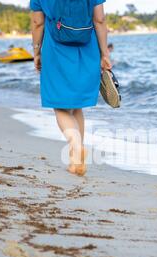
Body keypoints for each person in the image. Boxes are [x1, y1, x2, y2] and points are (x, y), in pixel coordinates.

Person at [30, 0, 112, 176]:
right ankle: (76, 160)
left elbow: (38, 23)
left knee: (59, 105)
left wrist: (36, 51)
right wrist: (104, 54)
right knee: (76, 106)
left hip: (55, 49)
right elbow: (99, 20)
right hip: (86, 48)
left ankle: (76, 146)